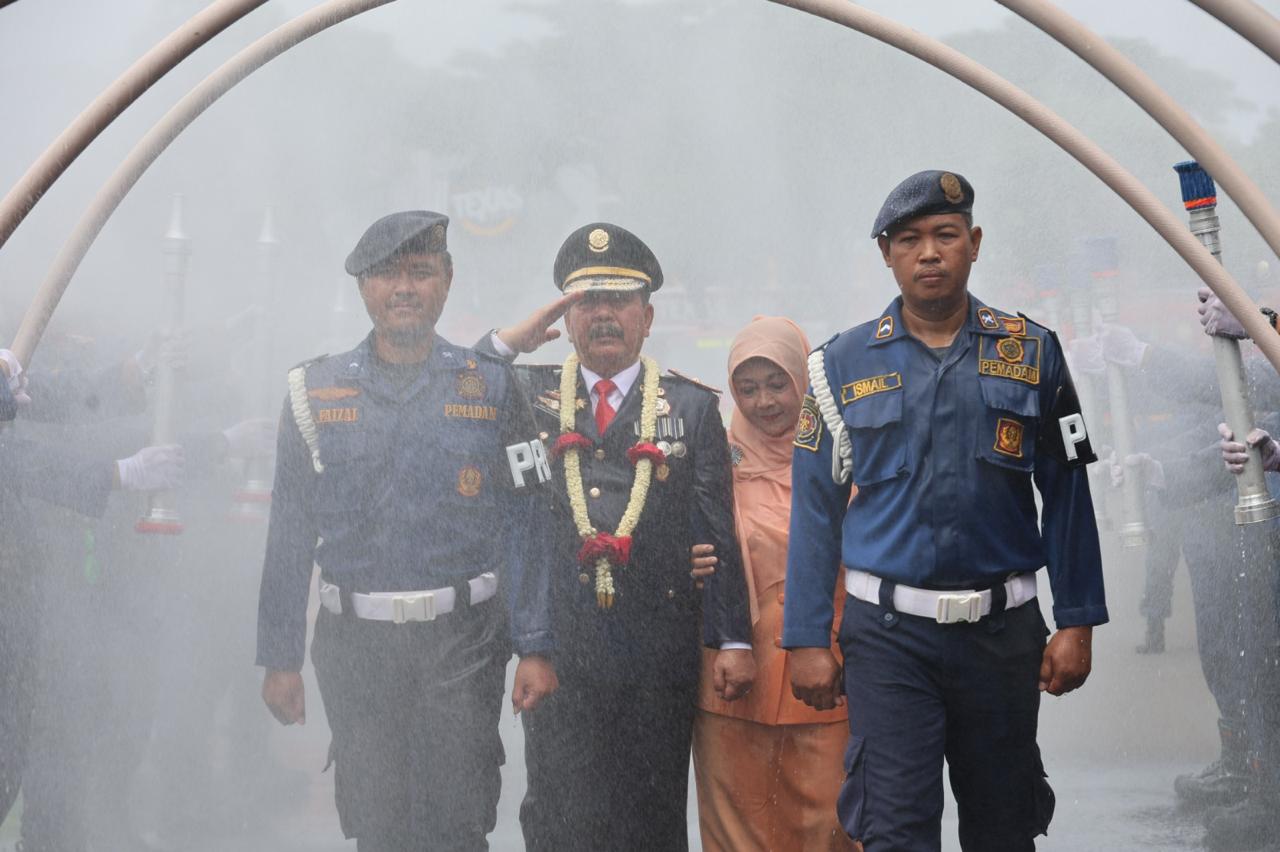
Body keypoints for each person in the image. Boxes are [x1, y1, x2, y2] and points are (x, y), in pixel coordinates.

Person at [783, 170, 1107, 852]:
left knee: (1003, 827)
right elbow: (814, 510)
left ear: (974, 243)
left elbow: (1068, 490)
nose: (929, 253)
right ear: (887, 254)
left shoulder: (1034, 352)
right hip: (888, 638)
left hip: (1003, 634)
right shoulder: (838, 364)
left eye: (945, 236)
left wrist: (1078, 621)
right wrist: (807, 637)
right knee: (895, 830)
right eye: (910, 240)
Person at [254, 210, 557, 851]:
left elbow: (530, 525)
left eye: (421, 272)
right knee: (377, 824)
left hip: (464, 643)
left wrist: (534, 643)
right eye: (388, 275)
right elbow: (289, 532)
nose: (405, 288)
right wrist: (279, 656)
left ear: (447, 282)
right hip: (356, 649)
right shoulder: (315, 391)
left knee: (456, 821)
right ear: (363, 288)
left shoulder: (496, 389)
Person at [482, 222, 755, 851]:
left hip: (657, 653)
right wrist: (504, 344)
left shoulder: (689, 409)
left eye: (620, 301)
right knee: (557, 813)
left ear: (648, 316)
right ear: (567, 317)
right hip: (561, 652)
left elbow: (717, 530)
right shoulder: (527, 395)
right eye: (587, 301)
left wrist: (732, 638)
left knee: (652, 818)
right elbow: (459, 384)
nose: (604, 315)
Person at [686, 315, 855, 852]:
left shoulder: (844, 460)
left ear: (803, 383)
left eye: (778, 384)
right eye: (748, 388)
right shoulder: (709, 466)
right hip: (733, 678)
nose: (764, 402)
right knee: (739, 830)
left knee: (831, 824)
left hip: (827, 672)